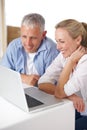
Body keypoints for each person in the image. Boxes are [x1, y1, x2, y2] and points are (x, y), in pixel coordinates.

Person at [38, 19, 87, 130]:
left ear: (78, 39)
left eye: (62, 41)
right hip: (78, 109)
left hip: (84, 113)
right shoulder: (65, 55)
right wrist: (70, 95)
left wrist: (70, 62)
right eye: (57, 41)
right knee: (48, 122)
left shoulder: (84, 62)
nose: (58, 47)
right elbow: (42, 83)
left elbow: (59, 93)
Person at [0, 13, 59, 86]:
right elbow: (3, 73)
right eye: (24, 36)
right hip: (17, 89)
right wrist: (24, 78)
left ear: (43, 35)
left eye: (33, 38)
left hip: (41, 93)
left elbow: (54, 83)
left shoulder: (52, 50)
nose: (28, 43)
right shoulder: (14, 46)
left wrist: (35, 82)